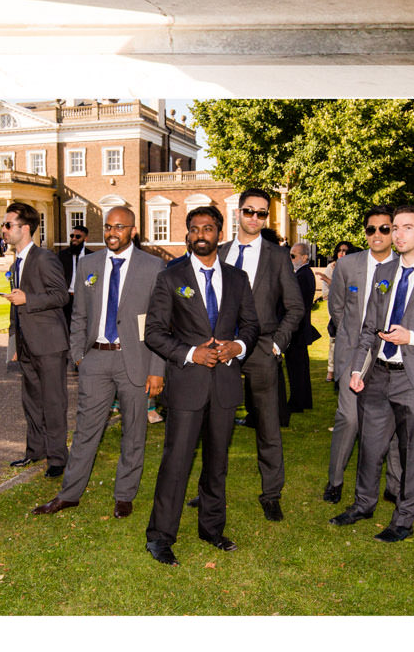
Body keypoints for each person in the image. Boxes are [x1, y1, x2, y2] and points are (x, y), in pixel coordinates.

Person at [331, 203, 414, 542]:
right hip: (377, 375)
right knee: (370, 449)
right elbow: (368, 329)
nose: (398, 234)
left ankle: (404, 519)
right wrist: (358, 369)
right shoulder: (384, 274)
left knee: (413, 452)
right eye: (395, 227)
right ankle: (363, 505)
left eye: (407, 227)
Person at [142, 205, 258, 566]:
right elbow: (154, 333)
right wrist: (192, 354)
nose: (201, 234)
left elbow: (251, 327)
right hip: (187, 386)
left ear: (219, 234)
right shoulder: (170, 276)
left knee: (217, 462)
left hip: (224, 386)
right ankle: (160, 537)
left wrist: (236, 347)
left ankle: (211, 529)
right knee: (176, 463)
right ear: (188, 234)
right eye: (194, 229)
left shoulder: (237, 279)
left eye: (208, 228)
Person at [33, 203, 163, 519]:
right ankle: (69, 494)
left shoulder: (153, 266)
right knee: (85, 432)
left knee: (134, 431)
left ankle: (124, 495)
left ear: (132, 230)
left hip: (135, 361)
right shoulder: (89, 263)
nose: (112, 233)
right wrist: (79, 356)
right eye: (108, 227)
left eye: (119, 227)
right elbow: (79, 315)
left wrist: (157, 370)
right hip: (95, 361)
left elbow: (160, 323)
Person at [221, 187, 302, 519]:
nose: (255, 217)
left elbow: (296, 308)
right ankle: (211, 490)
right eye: (249, 211)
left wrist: (277, 344)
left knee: (268, 425)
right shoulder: (220, 252)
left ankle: (271, 493)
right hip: (222, 350)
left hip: (262, 350)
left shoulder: (277, 256)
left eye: (262, 213)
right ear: (238, 213)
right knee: (215, 423)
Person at [324, 206, 402, 505]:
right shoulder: (347, 266)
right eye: (372, 229)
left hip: (391, 359)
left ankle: (394, 485)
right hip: (351, 355)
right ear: (365, 232)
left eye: (385, 228)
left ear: (394, 232)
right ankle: (335, 480)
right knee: (350, 418)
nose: (378, 235)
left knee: (392, 425)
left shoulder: (405, 267)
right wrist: (353, 347)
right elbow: (337, 309)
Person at [0, 202, 68, 476]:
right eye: (4, 225)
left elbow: (61, 295)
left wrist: (29, 299)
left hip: (50, 345)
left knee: (53, 403)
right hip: (27, 345)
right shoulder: (17, 262)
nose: (3, 230)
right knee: (31, 402)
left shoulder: (44, 258)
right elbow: (15, 306)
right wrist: (14, 343)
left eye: (8, 225)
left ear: (24, 229)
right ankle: (35, 452)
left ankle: (57, 459)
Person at [285, 240, 320, 419]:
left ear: (304, 257)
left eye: (293, 256)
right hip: (299, 328)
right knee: (298, 367)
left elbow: (296, 303)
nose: (290, 259)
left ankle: (298, 401)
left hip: (297, 329)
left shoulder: (303, 275)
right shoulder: (301, 274)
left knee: (297, 367)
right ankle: (302, 400)